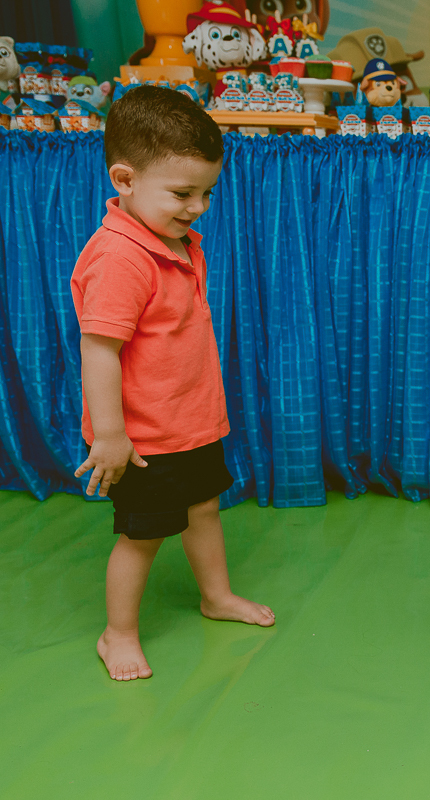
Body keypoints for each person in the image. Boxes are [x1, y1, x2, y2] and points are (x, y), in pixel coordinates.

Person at [71, 85, 275, 683]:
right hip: (142, 437)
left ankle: (216, 596)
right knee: (143, 536)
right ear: (125, 179)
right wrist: (110, 436)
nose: (199, 206)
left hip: (191, 421)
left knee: (205, 508)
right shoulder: (120, 258)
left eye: (207, 192)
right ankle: (119, 632)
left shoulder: (175, 240)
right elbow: (99, 349)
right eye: (183, 193)